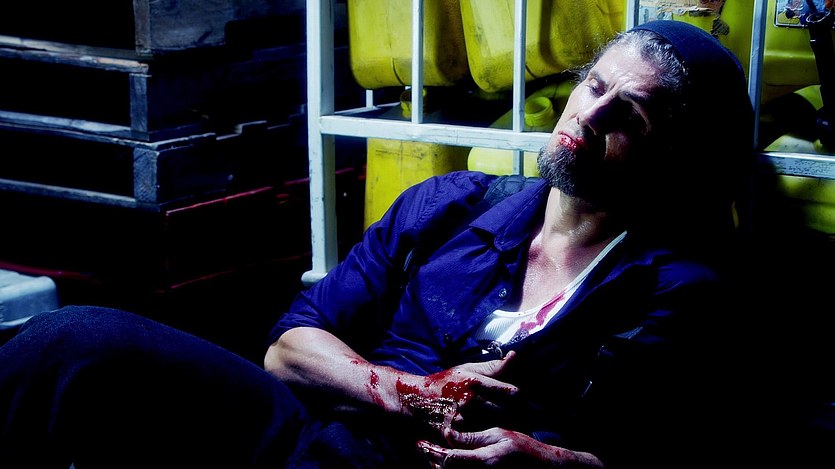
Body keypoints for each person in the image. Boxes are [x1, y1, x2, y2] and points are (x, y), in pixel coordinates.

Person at [0, 20, 757, 469]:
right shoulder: (452, 206)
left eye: (629, 116)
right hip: (314, 439)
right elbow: (287, 350)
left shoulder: (677, 289)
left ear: (673, 159)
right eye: (593, 86)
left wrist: (553, 461)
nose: (590, 115)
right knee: (72, 341)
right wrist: (407, 393)